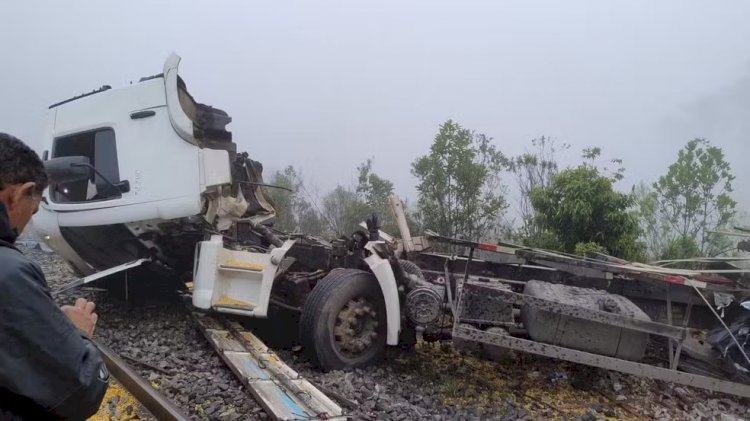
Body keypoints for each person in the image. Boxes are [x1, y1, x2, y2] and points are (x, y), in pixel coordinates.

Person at [0, 133, 108, 420]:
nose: (25, 226)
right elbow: (80, 391)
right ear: (18, 194)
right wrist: (76, 333)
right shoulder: (8, 272)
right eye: (32, 211)